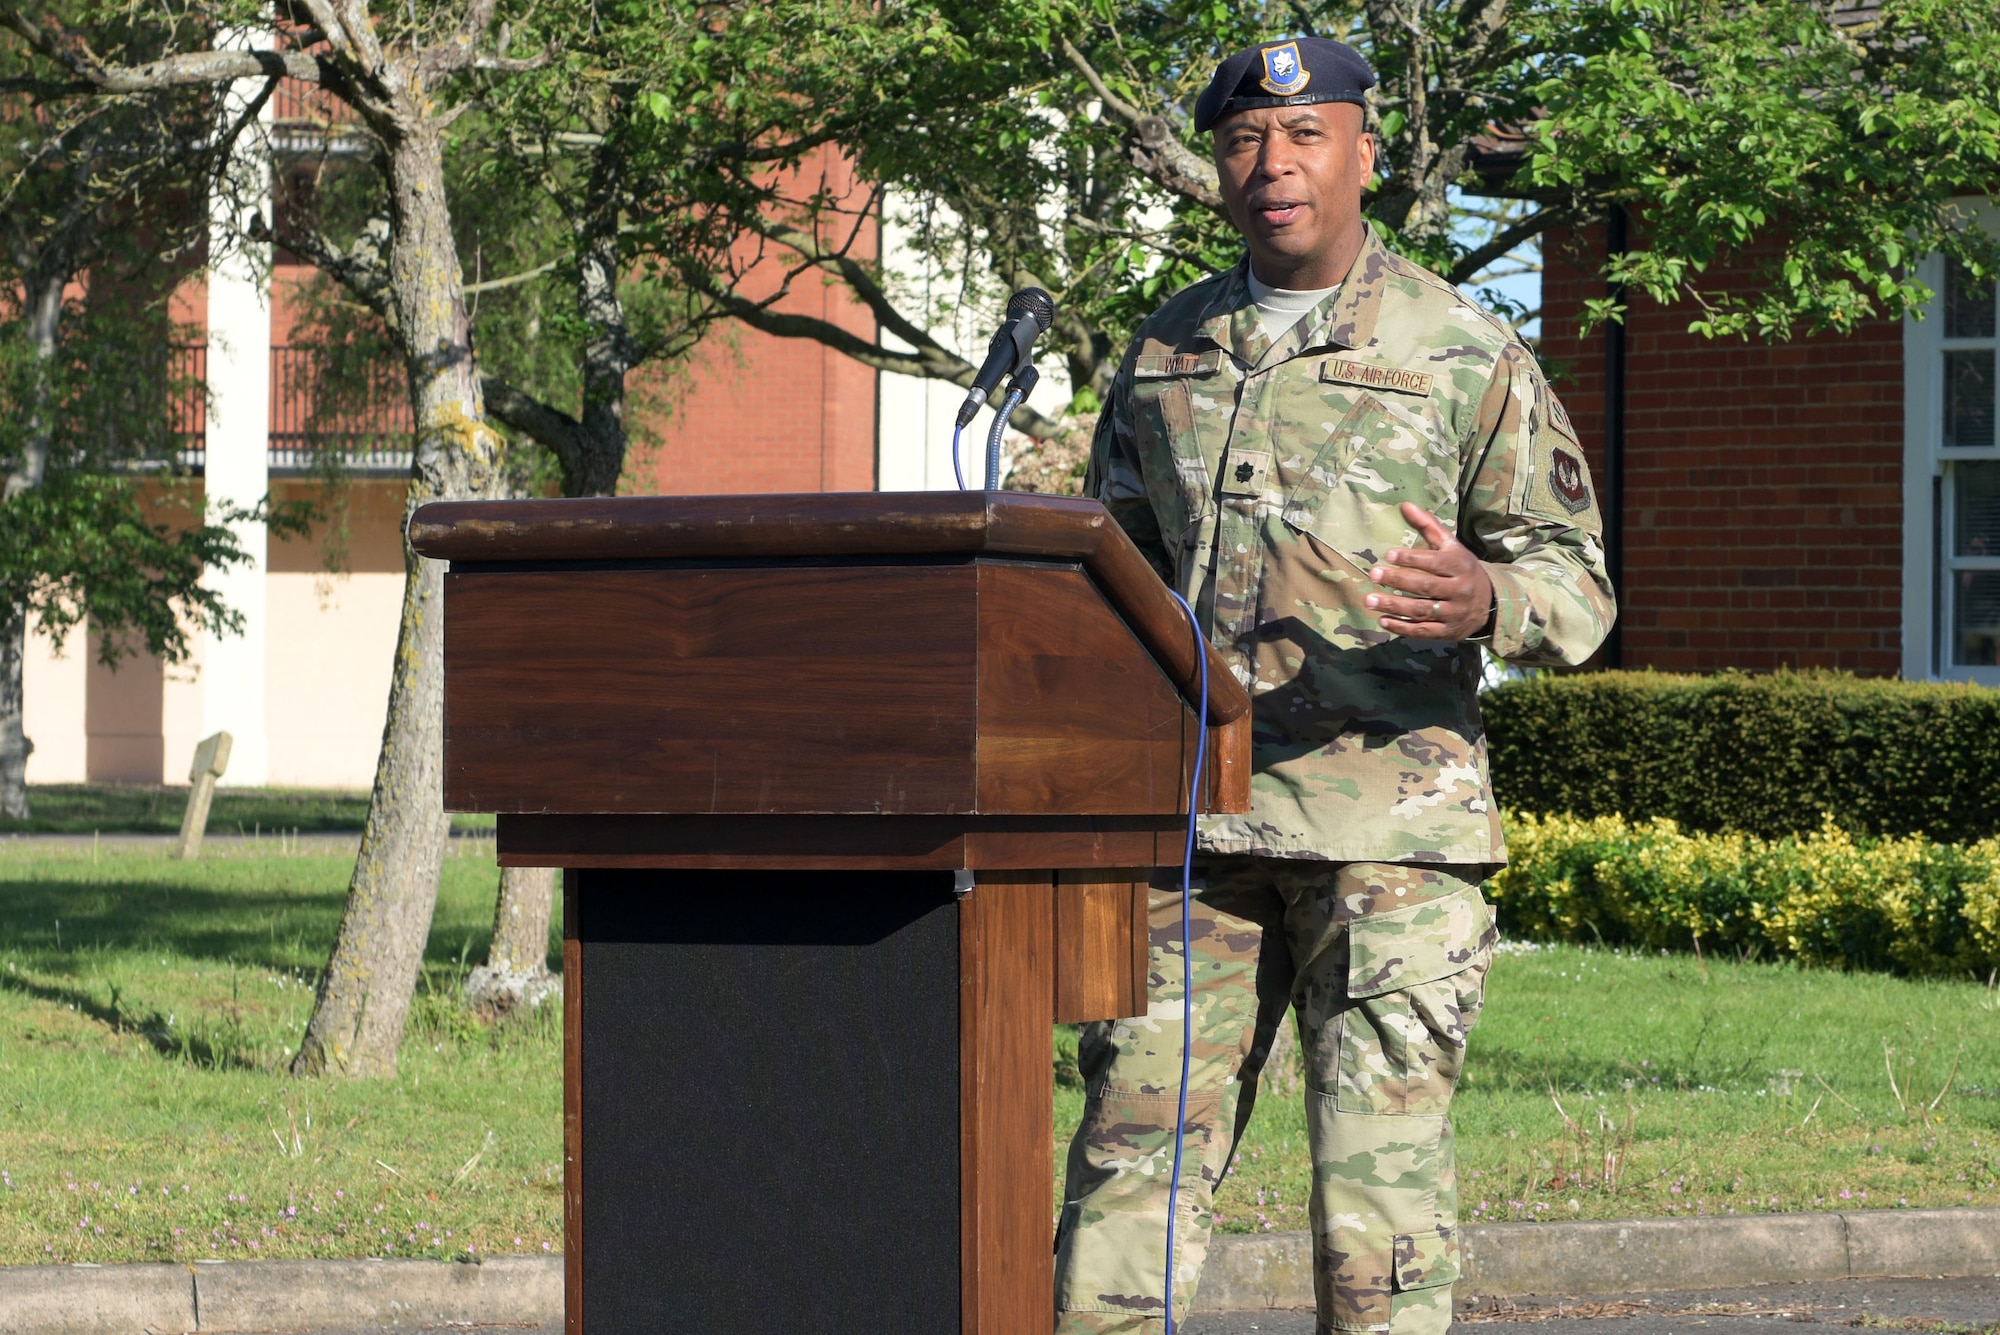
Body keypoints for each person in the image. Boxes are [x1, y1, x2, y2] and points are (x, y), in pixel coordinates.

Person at [1056, 35, 1616, 1335]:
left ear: (1367, 153)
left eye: (1307, 137)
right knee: (1124, 1178)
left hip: (1391, 844)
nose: (1274, 165)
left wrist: (1491, 600)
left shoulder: (1461, 348)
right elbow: (1112, 573)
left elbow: (1577, 588)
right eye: (1247, 138)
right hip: (1194, 835)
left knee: (1380, 1218)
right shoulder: (1166, 349)